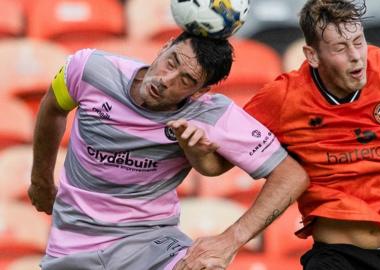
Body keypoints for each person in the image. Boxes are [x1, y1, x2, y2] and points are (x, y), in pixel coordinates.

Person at [28, 32, 309, 270]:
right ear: (164, 47)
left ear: (200, 91)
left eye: (186, 80)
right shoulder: (90, 69)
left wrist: (230, 239)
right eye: (171, 62)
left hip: (150, 243)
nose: (166, 79)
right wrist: (40, 180)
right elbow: (53, 108)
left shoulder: (210, 114)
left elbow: (291, 175)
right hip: (72, 246)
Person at [243, 0, 380, 269]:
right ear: (312, 55)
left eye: (359, 42)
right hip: (337, 258)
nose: (356, 55)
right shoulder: (283, 97)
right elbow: (220, 158)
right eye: (340, 48)